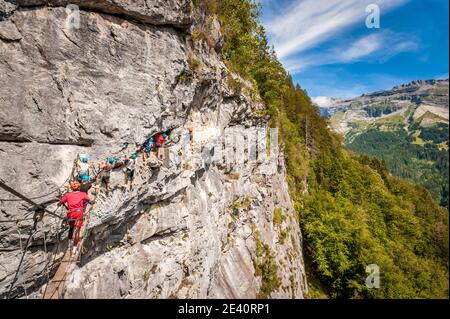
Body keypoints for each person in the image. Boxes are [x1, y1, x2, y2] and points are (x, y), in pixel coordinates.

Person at [58, 181, 94, 255]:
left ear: (71, 188)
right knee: (77, 230)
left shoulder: (67, 195)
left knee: (71, 228)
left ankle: (69, 244)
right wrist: (93, 201)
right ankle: (74, 249)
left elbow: (59, 204)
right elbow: (90, 202)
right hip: (79, 213)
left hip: (71, 214)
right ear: (79, 187)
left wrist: (62, 201)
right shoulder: (83, 194)